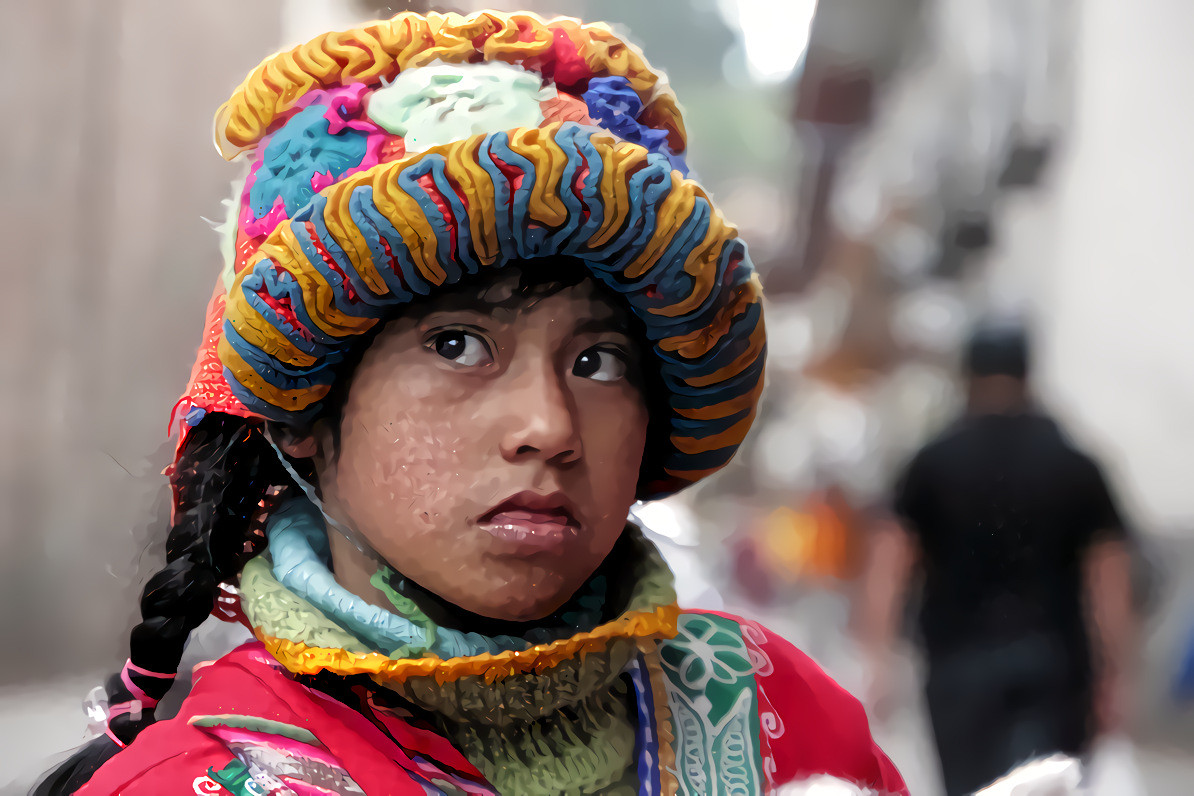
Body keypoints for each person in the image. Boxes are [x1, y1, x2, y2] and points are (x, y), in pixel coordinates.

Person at [34, 11, 907, 796]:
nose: (549, 428)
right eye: (456, 345)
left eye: (598, 361)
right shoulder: (191, 783)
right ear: (304, 414)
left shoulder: (787, 719)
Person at [857, 323, 1135, 795]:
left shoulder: (932, 462)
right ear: (1028, 377)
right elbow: (1109, 578)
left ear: (968, 376)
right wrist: (1116, 676)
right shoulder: (1076, 465)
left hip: (958, 672)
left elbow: (890, 565)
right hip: (1058, 670)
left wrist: (878, 661)